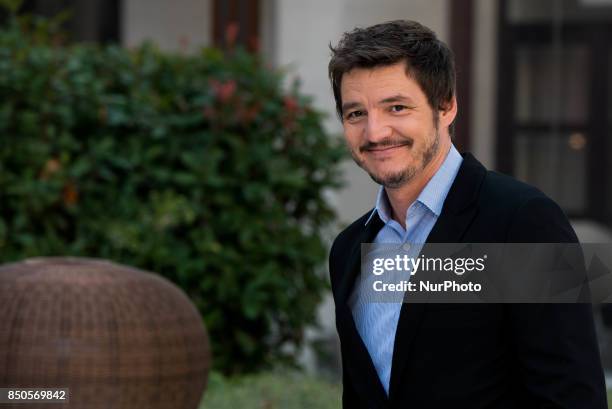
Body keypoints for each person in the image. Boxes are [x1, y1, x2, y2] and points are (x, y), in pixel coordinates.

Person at [327, 20, 606, 408]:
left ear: (446, 106)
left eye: (397, 107)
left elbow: (573, 398)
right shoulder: (348, 250)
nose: (375, 133)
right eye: (356, 113)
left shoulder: (524, 221)